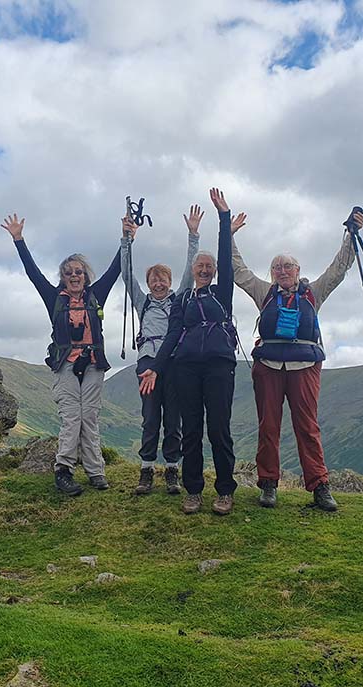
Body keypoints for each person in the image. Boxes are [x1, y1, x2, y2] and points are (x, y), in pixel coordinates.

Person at [229, 208, 363, 511]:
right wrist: (229, 236)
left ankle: (320, 487)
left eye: (287, 266)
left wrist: (351, 237)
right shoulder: (263, 292)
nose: (282, 270)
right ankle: (268, 484)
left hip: (304, 367)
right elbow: (238, 271)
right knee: (268, 426)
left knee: (307, 426)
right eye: (277, 267)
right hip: (268, 367)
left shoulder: (313, 292)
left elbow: (337, 270)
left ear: (298, 269)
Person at [1, 212, 123, 496]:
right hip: (65, 365)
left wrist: (127, 237)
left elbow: (116, 269)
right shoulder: (54, 297)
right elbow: (33, 274)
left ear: (86, 276)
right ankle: (64, 471)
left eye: (79, 272)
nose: (74, 276)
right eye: (68, 273)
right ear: (63, 278)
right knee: (72, 417)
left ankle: (95, 471)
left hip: (93, 364)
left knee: (89, 416)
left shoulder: (97, 294)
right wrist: (19, 240)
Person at [140, 188, 237, 516]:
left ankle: (225, 491)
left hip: (219, 367)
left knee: (219, 429)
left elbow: (225, 258)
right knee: (192, 430)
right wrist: (155, 365)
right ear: (194, 270)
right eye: (201, 266)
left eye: (210, 266)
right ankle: (193, 491)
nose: (206, 269)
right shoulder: (182, 300)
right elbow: (172, 335)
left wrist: (224, 220)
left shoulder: (222, 294)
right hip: (186, 369)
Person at [120, 205, 202, 495]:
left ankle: (171, 469)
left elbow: (190, 274)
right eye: (153, 279)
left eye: (162, 278)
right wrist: (127, 239)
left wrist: (193, 235)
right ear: (148, 283)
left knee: (174, 418)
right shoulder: (143, 303)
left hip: (175, 363)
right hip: (146, 363)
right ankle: (146, 470)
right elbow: (125, 273)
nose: (157, 282)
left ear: (169, 282)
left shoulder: (178, 300)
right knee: (151, 415)